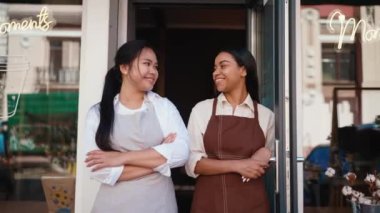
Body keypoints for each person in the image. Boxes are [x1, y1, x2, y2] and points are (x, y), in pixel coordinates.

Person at [84, 40, 189, 213]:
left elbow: (181, 152)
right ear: (124, 68)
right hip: (112, 207)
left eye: (155, 66)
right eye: (147, 64)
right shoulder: (98, 113)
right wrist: (160, 156)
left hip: (158, 205)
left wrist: (121, 158)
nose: (153, 71)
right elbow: (97, 170)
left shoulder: (163, 107)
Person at [185, 48, 275, 213]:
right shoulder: (201, 110)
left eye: (223, 66)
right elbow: (193, 163)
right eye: (214, 68)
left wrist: (266, 152)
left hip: (252, 203)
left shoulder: (265, 115)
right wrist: (239, 165)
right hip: (210, 202)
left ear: (243, 70)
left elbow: (273, 153)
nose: (216, 72)